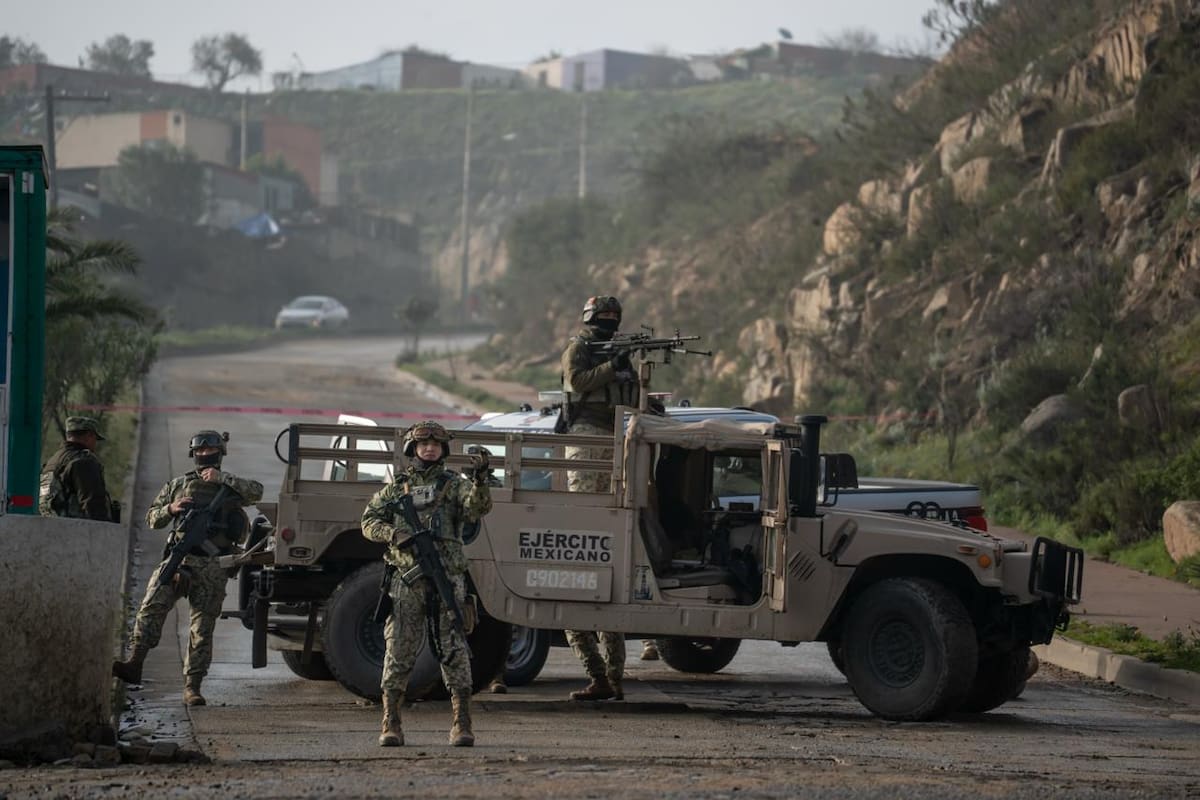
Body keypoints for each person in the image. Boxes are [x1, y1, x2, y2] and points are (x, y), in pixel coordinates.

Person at [361, 421, 494, 748]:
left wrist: (480, 480)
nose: (430, 448)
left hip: (446, 579)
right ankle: (391, 722)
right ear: (413, 448)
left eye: (436, 443)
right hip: (407, 581)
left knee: (454, 650)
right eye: (424, 444)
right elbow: (368, 521)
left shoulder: (454, 485)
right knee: (400, 648)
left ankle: (461, 724)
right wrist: (393, 534)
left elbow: (478, 509)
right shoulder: (396, 488)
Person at [112, 430, 263, 707]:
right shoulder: (178, 484)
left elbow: (257, 491)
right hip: (179, 559)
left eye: (210, 451)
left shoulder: (228, 487)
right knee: (150, 609)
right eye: (200, 452)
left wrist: (223, 479)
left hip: (212, 565)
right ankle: (135, 663)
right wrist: (171, 508)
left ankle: (192, 687)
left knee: (202, 629)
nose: (205, 456)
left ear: (219, 454)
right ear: (194, 454)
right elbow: (151, 519)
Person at [560, 295, 639, 702]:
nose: (609, 323)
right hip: (587, 434)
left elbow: (635, 398)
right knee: (585, 518)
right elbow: (576, 382)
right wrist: (613, 367)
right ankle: (602, 677)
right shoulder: (580, 347)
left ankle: (612, 678)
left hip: (616, 436)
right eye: (603, 317)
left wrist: (628, 371)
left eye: (614, 318)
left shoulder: (622, 352)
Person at [39, 415, 115, 521]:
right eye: (95, 438)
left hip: (48, 526)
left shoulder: (53, 461)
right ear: (89, 435)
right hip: (75, 530)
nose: (95, 444)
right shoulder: (83, 461)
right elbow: (93, 505)